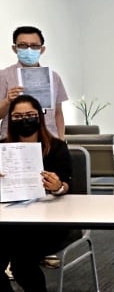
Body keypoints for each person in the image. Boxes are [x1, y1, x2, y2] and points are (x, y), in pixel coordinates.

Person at [0, 94, 72, 292]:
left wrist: (57, 186)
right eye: (17, 116)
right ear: (10, 120)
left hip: (48, 223)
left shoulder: (57, 147)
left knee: (22, 263)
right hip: (10, 220)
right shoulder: (3, 148)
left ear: (39, 116)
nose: (24, 120)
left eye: (30, 114)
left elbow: (67, 186)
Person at [0, 26, 68, 139]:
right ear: (14, 48)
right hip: (13, 141)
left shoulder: (54, 77)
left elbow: (58, 113)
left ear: (42, 49)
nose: (29, 50)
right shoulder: (4, 76)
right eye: (23, 45)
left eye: (34, 46)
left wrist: (61, 140)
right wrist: (7, 101)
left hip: (49, 140)